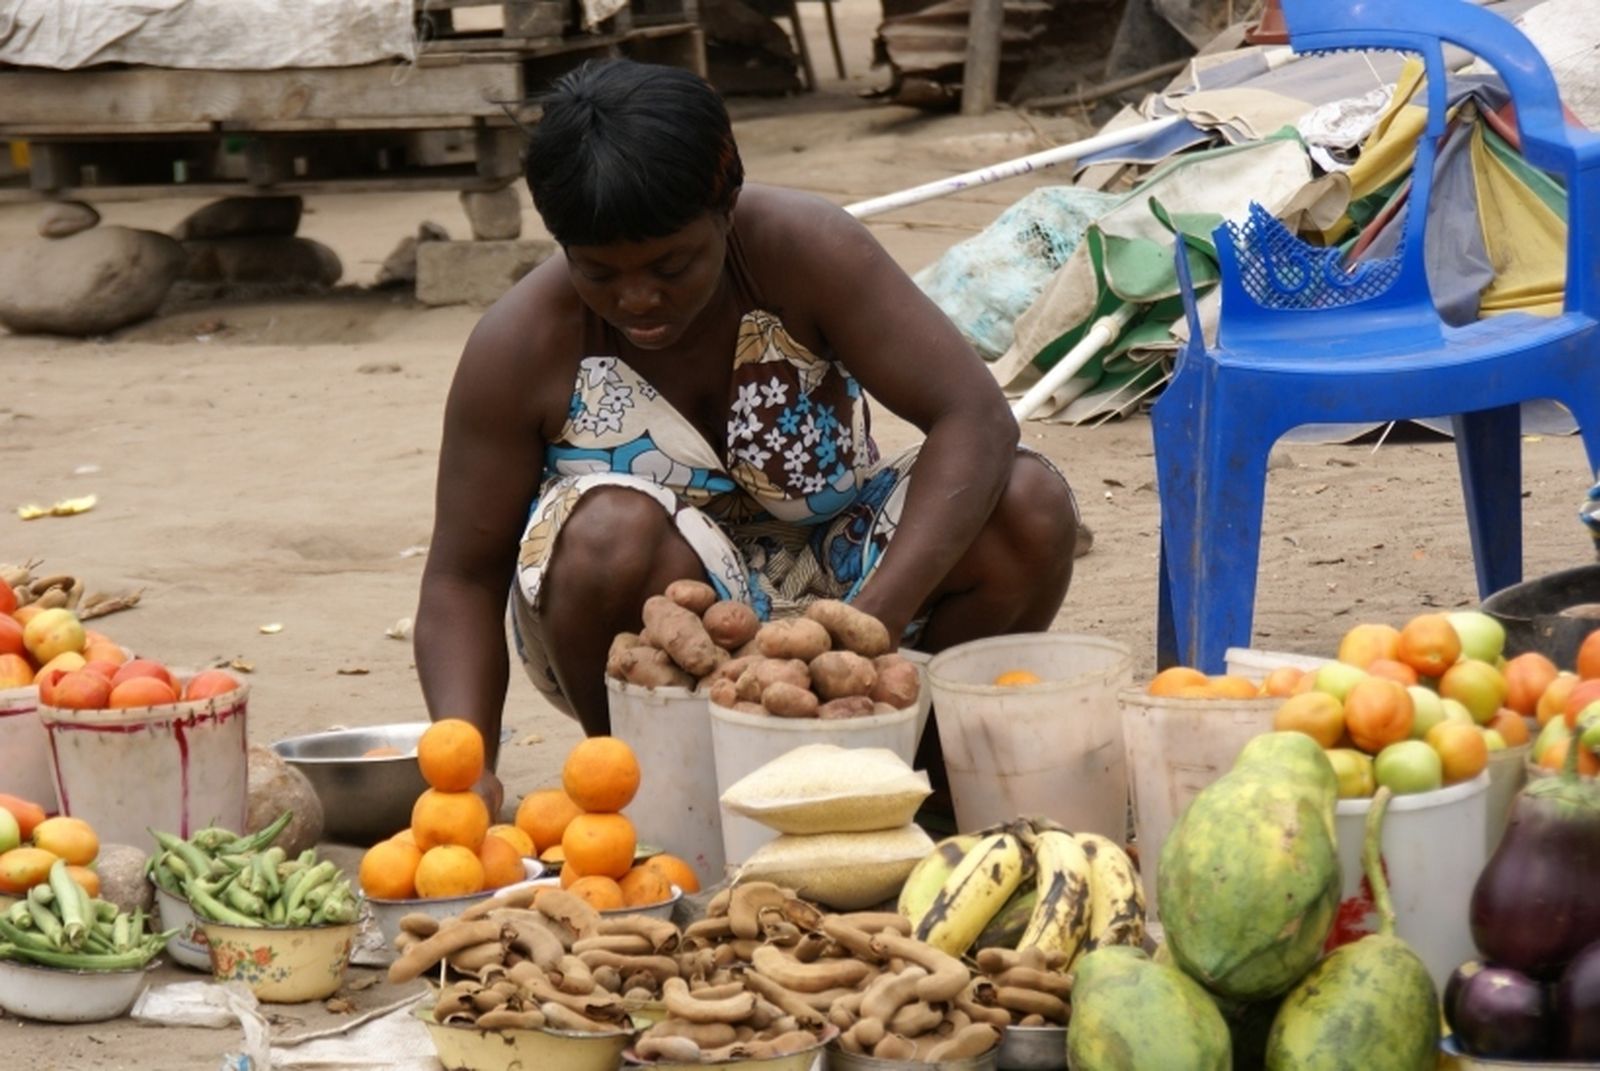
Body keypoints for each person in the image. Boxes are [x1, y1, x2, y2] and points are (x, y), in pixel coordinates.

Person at [415, 59, 1081, 809]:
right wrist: (464, 767)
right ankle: (658, 796)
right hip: (650, 645)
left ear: (726, 205)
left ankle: (907, 773)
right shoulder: (520, 346)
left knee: (1026, 502)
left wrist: (869, 627)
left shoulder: (806, 254)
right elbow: (461, 578)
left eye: (673, 263)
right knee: (605, 533)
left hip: (851, 588)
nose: (637, 298)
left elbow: (975, 416)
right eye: (598, 271)